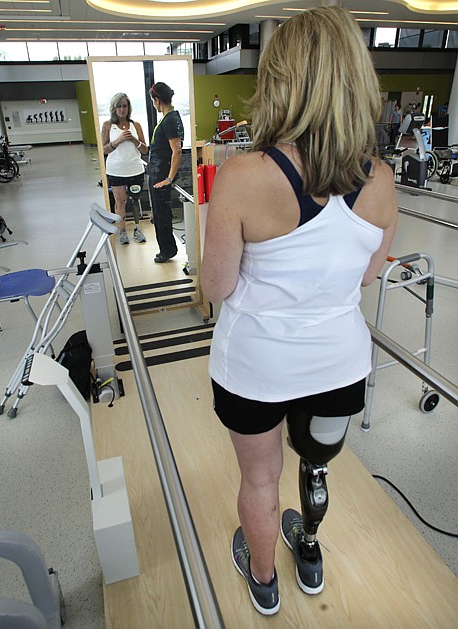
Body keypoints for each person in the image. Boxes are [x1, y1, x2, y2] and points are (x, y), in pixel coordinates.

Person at [201, 7, 397, 617]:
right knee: (317, 469)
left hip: (254, 368)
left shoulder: (243, 176)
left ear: (282, 80)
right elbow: (369, 274)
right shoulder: (382, 180)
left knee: (260, 481)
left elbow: (216, 284)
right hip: (337, 367)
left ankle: (264, 580)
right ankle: (308, 551)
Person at [102, 92, 147, 245]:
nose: (122, 109)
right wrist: (119, 141)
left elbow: (145, 150)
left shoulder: (136, 125)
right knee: (120, 202)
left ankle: (137, 228)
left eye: (124, 106)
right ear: (114, 108)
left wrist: (134, 140)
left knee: (135, 200)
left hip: (135, 169)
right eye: (119, 106)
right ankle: (122, 231)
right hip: (116, 170)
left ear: (129, 108)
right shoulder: (108, 125)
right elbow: (104, 149)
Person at [147, 82, 184, 263]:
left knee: (162, 214)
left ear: (157, 100)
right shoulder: (168, 118)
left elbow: (177, 151)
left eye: (153, 101)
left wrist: (169, 178)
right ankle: (166, 248)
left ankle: (167, 250)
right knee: (160, 213)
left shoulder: (170, 120)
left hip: (161, 175)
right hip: (157, 172)